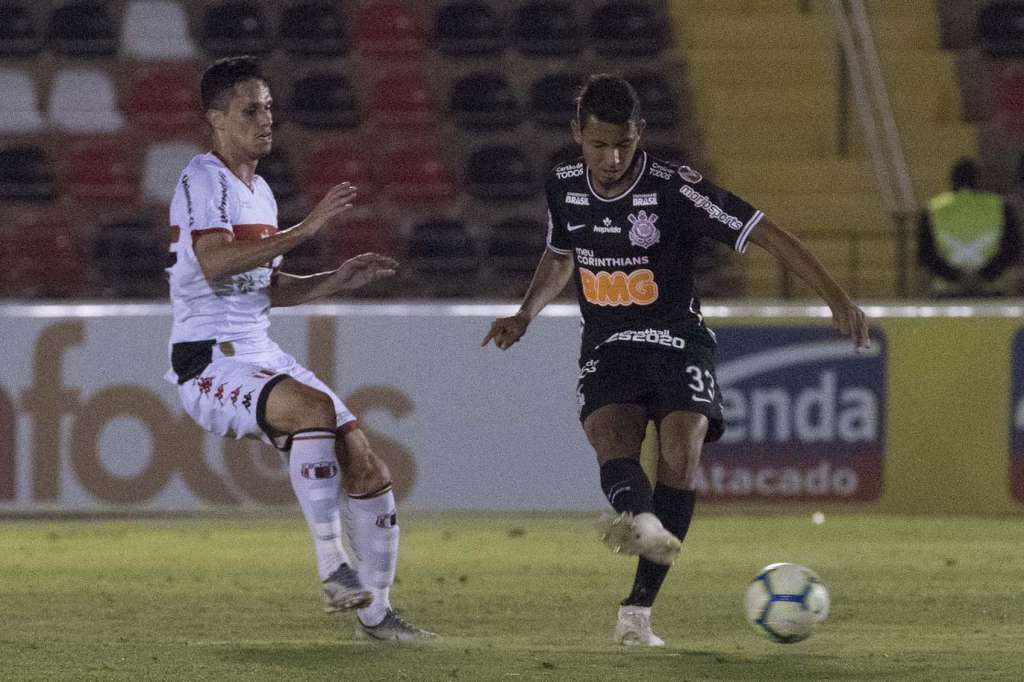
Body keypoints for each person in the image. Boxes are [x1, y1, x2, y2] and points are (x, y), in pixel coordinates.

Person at [482, 74, 869, 647]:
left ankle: (637, 612)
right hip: (608, 344)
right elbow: (561, 254)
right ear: (576, 136)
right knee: (610, 441)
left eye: (623, 144)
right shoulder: (562, 186)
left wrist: (836, 296)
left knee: (679, 453)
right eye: (598, 146)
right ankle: (642, 521)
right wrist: (525, 313)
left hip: (675, 340)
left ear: (639, 133)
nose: (611, 158)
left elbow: (768, 234)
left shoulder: (675, 189)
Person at [165, 56, 432, 641]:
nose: (266, 120)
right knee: (312, 413)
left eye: (268, 108)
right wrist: (308, 230)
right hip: (208, 358)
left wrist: (337, 278)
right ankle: (333, 566)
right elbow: (213, 263)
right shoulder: (201, 178)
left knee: (363, 458)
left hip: (259, 352)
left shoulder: (260, 193)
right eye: (250, 110)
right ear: (215, 120)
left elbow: (270, 287)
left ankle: (378, 614)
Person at [918, 157, 1021, 297]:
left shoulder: (933, 208)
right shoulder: (1000, 206)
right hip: (990, 286)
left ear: (952, 180)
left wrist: (955, 276)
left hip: (948, 287)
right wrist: (985, 275)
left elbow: (925, 254)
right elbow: (1012, 249)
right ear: (979, 179)